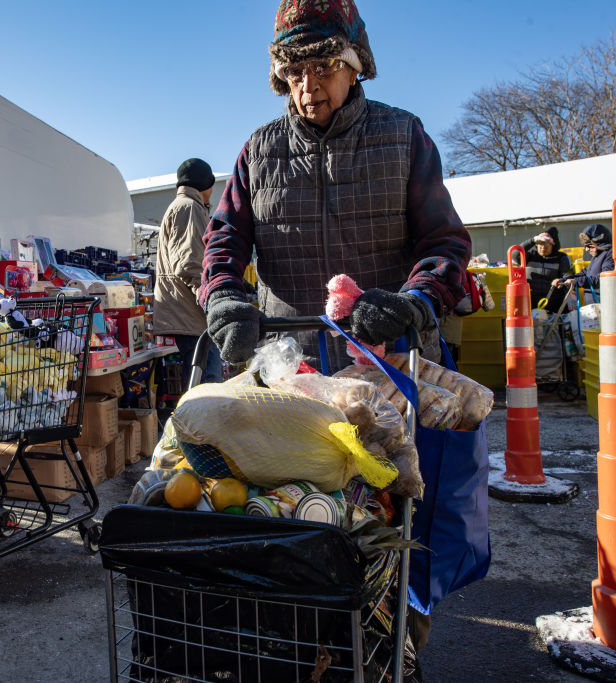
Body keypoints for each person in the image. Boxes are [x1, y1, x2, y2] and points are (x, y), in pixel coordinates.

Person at [198, 0, 472, 652]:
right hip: (287, 379)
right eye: (292, 72)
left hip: (383, 378)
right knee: (290, 521)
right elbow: (222, 244)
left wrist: (413, 300)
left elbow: (445, 244)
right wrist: (225, 299)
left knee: (385, 528)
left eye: (321, 67)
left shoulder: (404, 138)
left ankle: (391, 648)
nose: (306, 86)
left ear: (354, 67)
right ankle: (298, 649)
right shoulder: (257, 151)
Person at [154, 158, 223, 384]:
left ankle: (192, 419)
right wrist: (209, 299)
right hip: (191, 312)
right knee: (206, 383)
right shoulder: (189, 208)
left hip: (186, 311)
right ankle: (201, 421)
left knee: (197, 379)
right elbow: (189, 263)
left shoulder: (185, 206)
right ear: (206, 184)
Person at [513, 228, 572, 311]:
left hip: (553, 303)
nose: (543, 248)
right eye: (540, 244)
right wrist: (533, 240)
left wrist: (563, 281)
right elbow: (515, 254)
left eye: (547, 245)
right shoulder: (530, 256)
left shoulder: (561, 257)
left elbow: (566, 275)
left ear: (553, 244)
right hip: (530, 302)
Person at [552, 224, 614, 297]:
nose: (587, 249)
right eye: (585, 246)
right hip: (594, 305)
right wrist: (564, 279)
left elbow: (604, 278)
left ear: (599, 243)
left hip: (603, 304)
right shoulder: (598, 255)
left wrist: (576, 281)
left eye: (589, 245)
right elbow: (585, 273)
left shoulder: (609, 254)